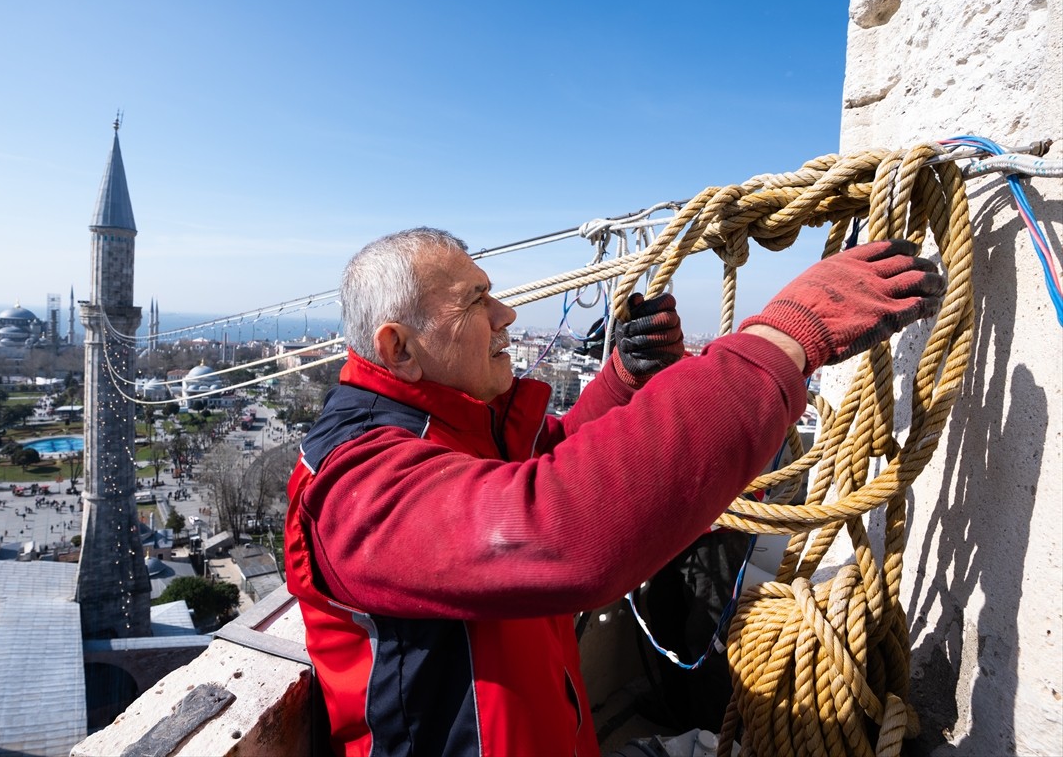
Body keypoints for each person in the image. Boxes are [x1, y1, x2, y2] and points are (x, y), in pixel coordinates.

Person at [284, 228, 944, 757]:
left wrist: (627, 378)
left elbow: (550, 460)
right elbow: (554, 530)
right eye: (475, 301)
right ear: (398, 348)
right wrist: (780, 342)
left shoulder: (455, 426)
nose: (506, 314)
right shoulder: (358, 483)